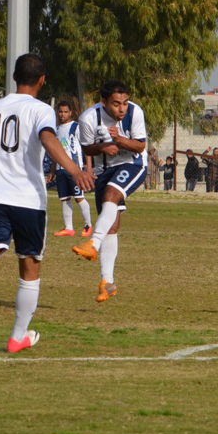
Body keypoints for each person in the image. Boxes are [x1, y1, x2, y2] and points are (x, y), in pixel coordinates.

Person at [0, 53, 93, 353]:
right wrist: (75, 170)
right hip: (28, 200)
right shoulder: (42, 110)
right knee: (29, 270)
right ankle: (18, 336)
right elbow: (47, 138)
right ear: (42, 80)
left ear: (14, 77)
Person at [71, 81, 148, 303]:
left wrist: (119, 140)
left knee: (112, 195)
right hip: (103, 170)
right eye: (116, 104)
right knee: (111, 226)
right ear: (104, 102)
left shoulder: (135, 112)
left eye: (124, 102)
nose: (121, 108)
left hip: (133, 165)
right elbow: (87, 148)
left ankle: (92, 244)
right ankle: (107, 282)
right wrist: (103, 147)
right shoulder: (88, 118)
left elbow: (140, 146)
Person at [48, 100, 93, 237]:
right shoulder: (55, 129)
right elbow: (56, 152)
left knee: (79, 197)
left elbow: (87, 148)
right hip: (61, 169)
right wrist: (52, 171)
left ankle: (88, 225)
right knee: (64, 198)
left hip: (75, 169)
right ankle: (69, 228)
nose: (62, 114)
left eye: (65, 112)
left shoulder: (76, 127)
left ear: (70, 113)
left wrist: (88, 169)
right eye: (60, 111)